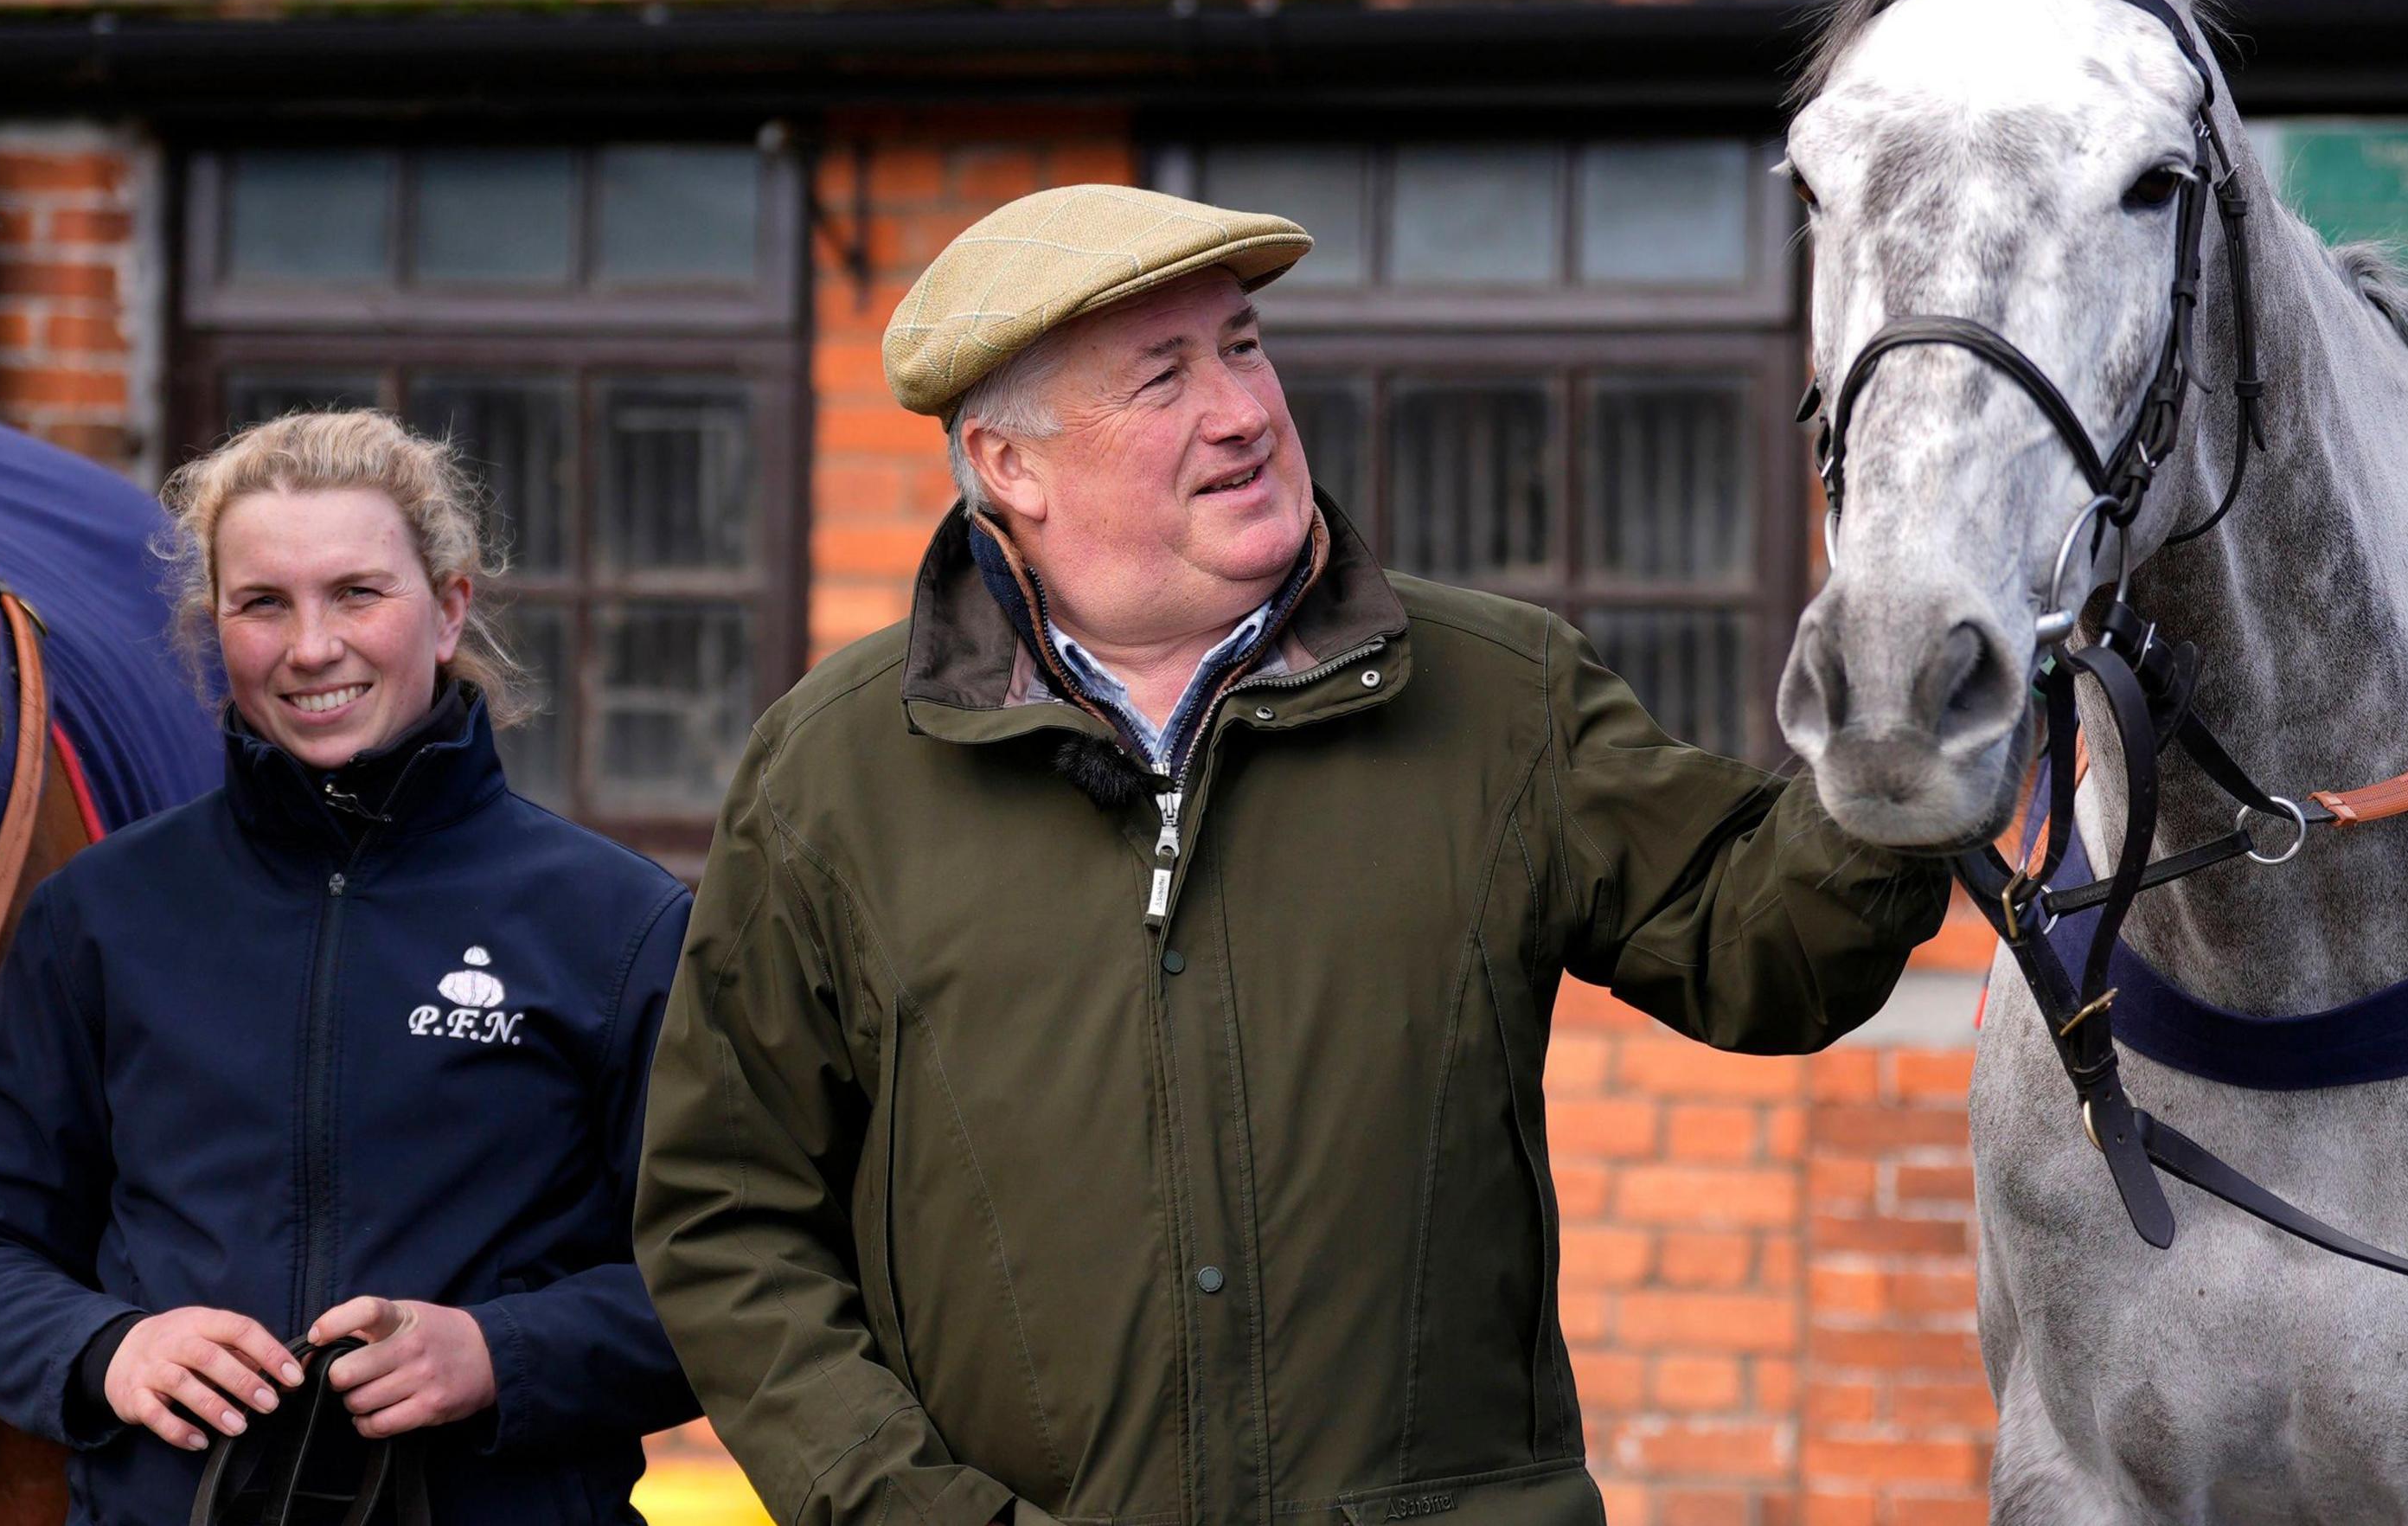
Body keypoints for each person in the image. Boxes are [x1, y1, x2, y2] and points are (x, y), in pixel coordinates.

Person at [633, 184, 1951, 1526]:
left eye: (1244, 347)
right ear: (1009, 465)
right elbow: (727, 1224)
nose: (1243, 411)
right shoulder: (831, 775)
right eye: (1162, 379)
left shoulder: (1504, 697)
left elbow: (1765, 952)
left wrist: (1898, 758)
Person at [0, 409, 698, 1523]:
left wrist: (495, 1353)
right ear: (213, 624)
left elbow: (725, 1286)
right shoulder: (100, 915)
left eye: (358, 594)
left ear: (449, 607)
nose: (311, 646)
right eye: (262, 603)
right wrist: (108, 1349)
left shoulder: (618, 925)